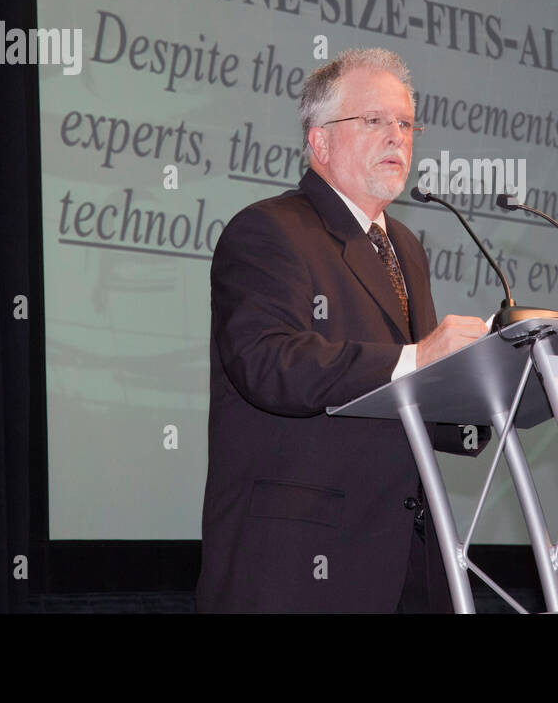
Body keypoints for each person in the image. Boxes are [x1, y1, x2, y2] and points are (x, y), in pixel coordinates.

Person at [197, 47, 488, 612]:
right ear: (320, 141)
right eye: (375, 120)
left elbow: (417, 396)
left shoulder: (404, 246)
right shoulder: (267, 230)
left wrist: (496, 385)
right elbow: (269, 364)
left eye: (406, 123)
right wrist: (418, 359)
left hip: (407, 562)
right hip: (301, 561)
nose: (397, 137)